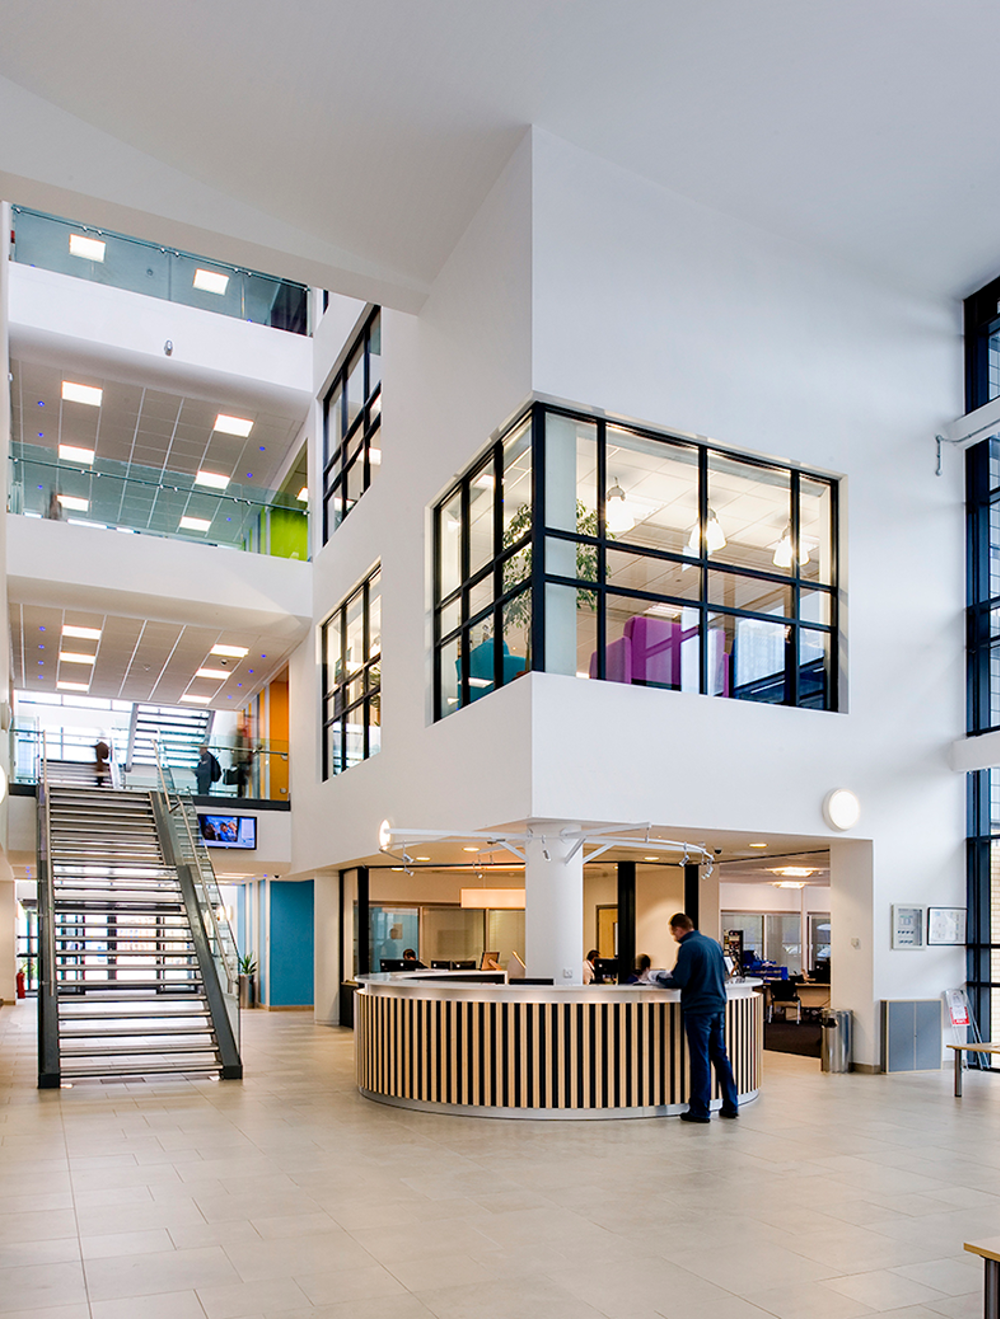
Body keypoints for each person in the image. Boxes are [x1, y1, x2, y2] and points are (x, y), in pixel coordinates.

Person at [649, 913, 739, 1123]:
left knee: (700, 1058)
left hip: (698, 1009)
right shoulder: (713, 944)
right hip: (718, 1005)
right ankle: (730, 1104)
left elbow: (680, 979)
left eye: (673, 933)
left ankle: (699, 1109)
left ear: (679, 929)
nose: (673, 937)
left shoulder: (688, 947)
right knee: (720, 1056)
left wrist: (659, 978)